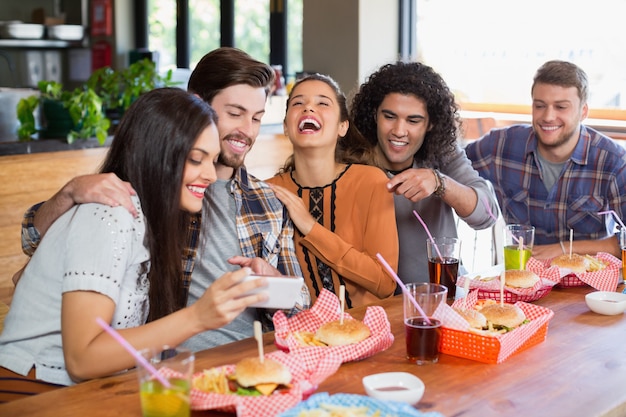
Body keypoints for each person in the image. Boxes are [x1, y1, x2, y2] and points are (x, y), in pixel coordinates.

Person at [17, 47, 308, 352]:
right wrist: (69, 192)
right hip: (159, 367)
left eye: (257, 118)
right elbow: (34, 242)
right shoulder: (152, 186)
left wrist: (274, 284)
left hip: (249, 361)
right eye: (235, 113)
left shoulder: (267, 203)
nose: (247, 131)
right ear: (196, 105)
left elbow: (300, 309)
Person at [0, 88, 271, 402]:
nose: (210, 175)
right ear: (156, 154)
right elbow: (82, 359)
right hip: (33, 393)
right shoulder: (109, 216)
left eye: (212, 161)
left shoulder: (150, 220)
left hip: (87, 392)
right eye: (196, 159)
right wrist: (198, 317)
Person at [350, 61, 498, 286]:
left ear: (430, 124)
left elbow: (487, 214)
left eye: (413, 120)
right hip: (384, 304)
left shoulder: (443, 154)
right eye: (389, 117)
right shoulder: (352, 164)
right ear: (374, 115)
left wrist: (440, 182)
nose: (399, 131)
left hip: (447, 293)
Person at [466, 60, 626, 259]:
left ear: (583, 111)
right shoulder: (501, 145)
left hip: (589, 286)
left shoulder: (614, 162)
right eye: (540, 106)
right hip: (520, 280)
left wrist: (563, 248)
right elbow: (451, 165)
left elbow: (624, 242)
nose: (548, 116)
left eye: (561, 107)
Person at [266, 73, 398, 308]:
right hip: (300, 336)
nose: (308, 108)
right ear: (286, 126)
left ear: (342, 127)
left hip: (367, 332)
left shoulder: (372, 182)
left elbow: (385, 283)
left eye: (322, 103)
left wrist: (310, 228)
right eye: (298, 103)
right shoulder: (268, 192)